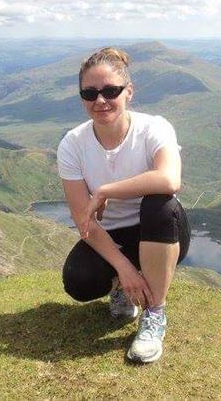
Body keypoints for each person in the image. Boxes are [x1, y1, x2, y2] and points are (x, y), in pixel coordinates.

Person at [56, 47, 190, 364]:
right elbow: (83, 221)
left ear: (128, 92)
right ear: (81, 98)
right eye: (90, 93)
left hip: (160, 231)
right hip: (113, 236)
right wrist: (124, 269)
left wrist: (105, 191)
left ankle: (154, 314)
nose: (100, 101)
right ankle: (123, 285)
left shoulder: (154, 128)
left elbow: (170, 180)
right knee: (78, 281)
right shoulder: (72, 145)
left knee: (160, 203)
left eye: (110, 91)